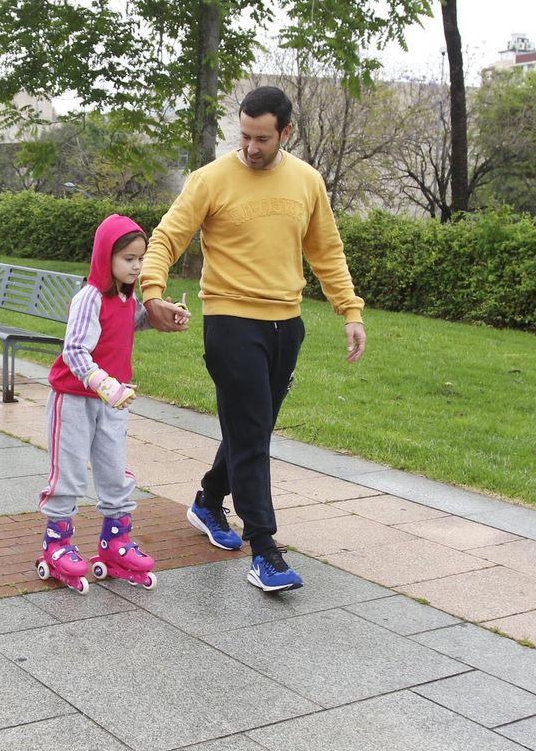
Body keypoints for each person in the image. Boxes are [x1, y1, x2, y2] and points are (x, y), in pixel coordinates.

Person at [139, 85, 367, 594]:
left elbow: (327, 251)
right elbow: (167, 236)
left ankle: (207, 497)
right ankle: (264, 547)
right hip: (230, 321)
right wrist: (152, 291)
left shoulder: (306, 181)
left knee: (253, 429)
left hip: (287, 324)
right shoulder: (211, 179)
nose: (251, 147)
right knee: (252, 432)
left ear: (286, 132)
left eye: (262, 138)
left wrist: (349, 311)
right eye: (244, 135)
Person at [36, 214, 182, 593]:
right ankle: (57, 545)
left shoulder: (126, 296)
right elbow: (74, 350)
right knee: (68, 474)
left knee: (115, 473)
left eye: (140, 259)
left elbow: (132, 321)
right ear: (106, 257)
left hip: (112, 402)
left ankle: (115, 543)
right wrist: (103, 382)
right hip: (74, 399)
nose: (136, 266)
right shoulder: (89, 298)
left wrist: (164, 314)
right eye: (128, 259)